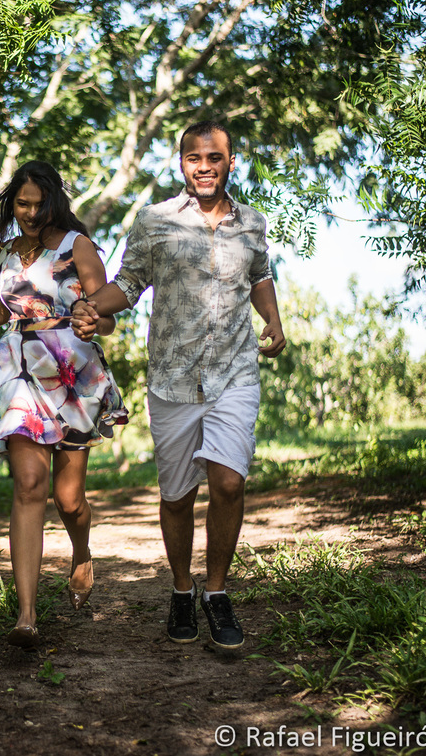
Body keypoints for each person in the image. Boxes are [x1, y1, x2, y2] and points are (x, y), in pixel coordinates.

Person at [72, 120, 286, 650]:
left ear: (231, 162)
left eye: (215, 157)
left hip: (234, 371)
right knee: (177, 497)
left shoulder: (253, 224)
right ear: (182, 163)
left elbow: (261, 275)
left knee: (229, 483)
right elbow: (128, 284)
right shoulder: (154, 220)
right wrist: (90, 307)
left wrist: (273, 321)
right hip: (171, 376)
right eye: (194, 157)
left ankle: (216, 593)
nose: (205, 165)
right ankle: (181, 590)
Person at [0, 161, 128, 648]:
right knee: (29, 484)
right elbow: (6, 307)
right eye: (22, 204)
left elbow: (107, 311)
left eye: (39, 203)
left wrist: (94, 321)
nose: (31, 213)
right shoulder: (2, 252)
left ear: (54, 200)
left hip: (72, 372)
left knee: (68, 499)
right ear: (11, 204)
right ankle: (27, 616)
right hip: (17, 366)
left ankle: (81, 552)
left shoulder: (77, 246)